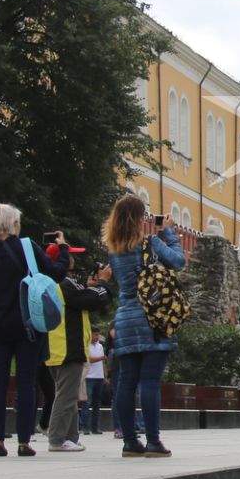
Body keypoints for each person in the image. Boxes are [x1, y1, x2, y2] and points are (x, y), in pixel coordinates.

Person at [0, 203, 64, 457]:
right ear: (14, 224)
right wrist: (63, 250)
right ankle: (24, 442)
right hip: (26, 327)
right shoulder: (27, 248)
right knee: (26, 382)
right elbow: (55, 274)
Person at [96, 194, 185, 458]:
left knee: (126, 383)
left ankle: (130, 442)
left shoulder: (114, 251)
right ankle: (154, 442)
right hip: (152, 319)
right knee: (149, 382)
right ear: (139, 218)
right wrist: (169, 232)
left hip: (125, 321)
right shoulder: (151, 243)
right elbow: (178, 261)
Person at [43, 238, 106, 452]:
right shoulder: (65, 283)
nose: (72, 258)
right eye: (70, 254)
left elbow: (80, 298)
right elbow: (91, 300)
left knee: (67, 395)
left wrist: (89, 286)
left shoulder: (51, 283)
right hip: (68, 349)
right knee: (66, 396)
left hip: (55, 348)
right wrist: (103, 284)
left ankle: (70, 437)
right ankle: (57, 439)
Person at [82, 332, 107, 437]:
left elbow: (103, 363)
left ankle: (95, 427)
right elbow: (89, 360)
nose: (97, 337)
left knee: (97, 404)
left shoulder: (100, 346)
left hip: (99, 377)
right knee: (87, 403)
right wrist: (102, 358)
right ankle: (85, 428)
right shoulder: (86, 345)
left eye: (98, 335)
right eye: (95, 335)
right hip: (89, 377)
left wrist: (105, 376)